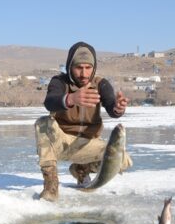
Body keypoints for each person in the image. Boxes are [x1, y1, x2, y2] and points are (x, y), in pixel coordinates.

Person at [34, 41, 132, 202]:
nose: (84, 74)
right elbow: (49, 102)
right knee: (43, 123)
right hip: (61, 142)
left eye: (88, 68)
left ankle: (82, 169)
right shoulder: (59, 82)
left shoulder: (101, 84)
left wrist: (118, 109)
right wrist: (70, 98)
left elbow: (111, 107)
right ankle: (51, 185)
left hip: (87, 144)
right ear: (69, 66)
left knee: (123, 160)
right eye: (79, 68)